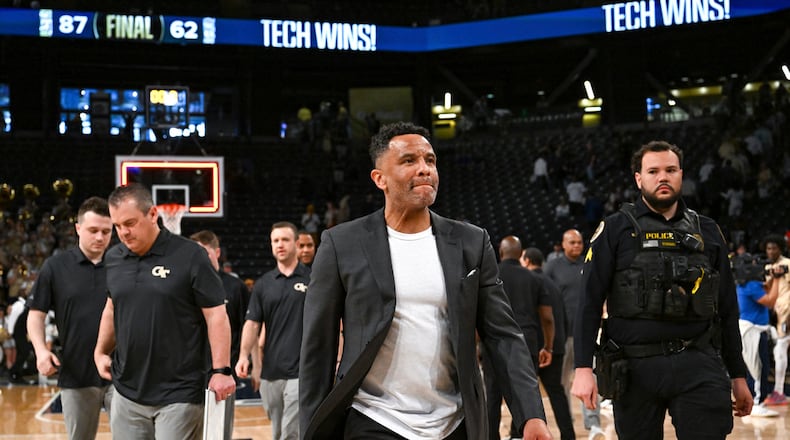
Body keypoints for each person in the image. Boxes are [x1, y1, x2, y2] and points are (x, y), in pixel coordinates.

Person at [299, 122, 551, 440]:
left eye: (430, 160)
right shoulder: (341, 244)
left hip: (455, 421)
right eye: (409, 161)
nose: (424, 170)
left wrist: (530, 414)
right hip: (374, 418)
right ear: (380, 179)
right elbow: (318, 348)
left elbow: (503, 336)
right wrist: (309, 430)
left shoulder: (472, 242)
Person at [572, 140, 753, 439]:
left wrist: (738, 375)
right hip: (634, 367)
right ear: (639, 178)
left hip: (699, 363)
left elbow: (727, 308)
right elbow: (588, 303)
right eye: (653, 171)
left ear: (681, 174)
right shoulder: (615, 229)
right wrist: (582, 368)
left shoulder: (708, 230)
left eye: (670, 170)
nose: (663, 177)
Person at [94, 183, 235, 439]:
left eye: (130, 223)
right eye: (117, 226)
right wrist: (100, 351)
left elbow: (216, 314)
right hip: (127, 391)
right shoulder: (114, 258)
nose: (123, 232)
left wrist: (221, 371)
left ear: (152, 214)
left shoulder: (191, 255)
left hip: (179, 393)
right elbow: (112, 306)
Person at [26, 197, 114, 439]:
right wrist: (42, 351)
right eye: (93, 230)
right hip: (77, 373)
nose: (100, 237)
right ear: (78, 228)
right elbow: (35, 316)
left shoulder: (123, 264)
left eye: (106, 231)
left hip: (122, 373)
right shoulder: (55, 266)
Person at [236, 221, 310, 440]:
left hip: (301, 370)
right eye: (275, 240)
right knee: (277, 431)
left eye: (285, 240)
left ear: (296, 244)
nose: (280, 245)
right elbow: (252, 324)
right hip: (271, 373)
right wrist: (243, 357)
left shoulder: (312, 279)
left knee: (291, 431)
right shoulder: (263, 284)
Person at [482, 235, 554, 440]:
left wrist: (476, 346)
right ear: (521, 254)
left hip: (493, 341)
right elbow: (547, 317)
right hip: (527, 341)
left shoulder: (488, 275)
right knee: (524, 392)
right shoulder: (535, 278)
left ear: (501, 253)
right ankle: (518, 435)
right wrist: (548, 346)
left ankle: (490, 436)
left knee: (493, 395)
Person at [543, 228, 604, 439]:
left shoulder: (589, 264)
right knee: (561, 384)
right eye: (572, 242)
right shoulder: (552, 267)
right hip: (563, 335)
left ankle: (594, 424)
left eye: (579, 242)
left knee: (591, 380)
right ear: (563, 244)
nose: (577, 246)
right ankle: (566, 422)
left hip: (587, 335)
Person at [522, 247, 576, 440]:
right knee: (557, 393)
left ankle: (516, 433)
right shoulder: (552, 283)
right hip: (558, 344)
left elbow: (540, 318)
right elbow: (562, 315)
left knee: (528, 393)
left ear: (527, 260)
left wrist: (545, 346)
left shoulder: (530, 282)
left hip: (540, 347)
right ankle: (569, 435)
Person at [190, 230, 249, 369]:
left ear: (217, 253)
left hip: (225, 367)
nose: (200, 259)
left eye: (204, 253)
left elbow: (247, 326)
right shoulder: (186, 286)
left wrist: (247, 360)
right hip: (191, 368)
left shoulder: (236, 286)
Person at [733, 253, 780, 416]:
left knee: (760, 366)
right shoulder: (751, 285)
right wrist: (779, 279)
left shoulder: (746, 284)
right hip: (752, 331)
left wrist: (773, 277)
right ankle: (757, 402)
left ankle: (757, 400)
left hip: (755, 330)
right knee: (757, 368)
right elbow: (771, 300)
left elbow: (767, 287)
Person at [763, 233, 790, 405]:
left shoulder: (788, 264)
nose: (771, 251)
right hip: (777, 313)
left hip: (788, 313)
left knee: (780, 351)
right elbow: (769, 291)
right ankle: (779, 392)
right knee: (779, 351)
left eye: (774, 248)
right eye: (768, 248)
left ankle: (779, 392)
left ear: (780, 248)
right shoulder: (767, 268)